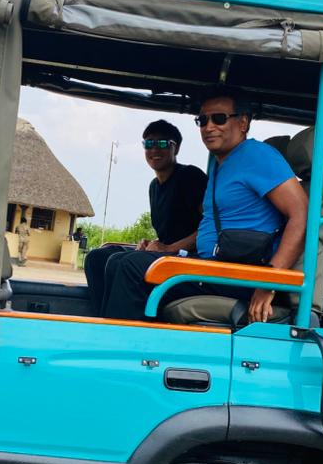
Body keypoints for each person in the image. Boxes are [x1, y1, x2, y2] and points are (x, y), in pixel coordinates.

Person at [100, 92, 307, 323]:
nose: (209, 127)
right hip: (214, 267)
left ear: (243, 123)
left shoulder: (257, 156)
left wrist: (270, 282)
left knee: (131, 267)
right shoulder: (223, 164)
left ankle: (124, 350)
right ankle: (105, 332)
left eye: (219, 118)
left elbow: (301, 214)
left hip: (239, 273)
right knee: (109, 260)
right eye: (203, 120)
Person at [84, 120, 207, 316]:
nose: (154, 150)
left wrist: (170, 248)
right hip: (166, 253)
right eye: (149, 144)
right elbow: (170, 231)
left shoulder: (190, 177)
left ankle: (120, 328)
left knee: (120, 262)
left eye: (162, 144)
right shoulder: (154, 186)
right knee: (97, 257)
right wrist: (152, 244)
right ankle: (102, 318)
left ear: (176, 147)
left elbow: (209, 227)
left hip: (189, 257)